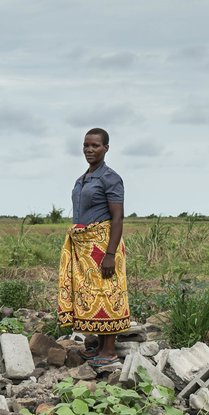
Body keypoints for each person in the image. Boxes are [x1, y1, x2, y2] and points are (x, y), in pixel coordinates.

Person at [58, 127, 130, 366]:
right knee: (91, 294)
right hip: (83, 249)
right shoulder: (83, 179)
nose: (89, 149)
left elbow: (117, 218)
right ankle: (99, 346)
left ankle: (109, 351)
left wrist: (110, 254)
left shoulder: (110, 178)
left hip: (102, 246)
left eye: (95, 145)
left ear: (106, 148)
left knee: (107, 294)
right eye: (86, 145)